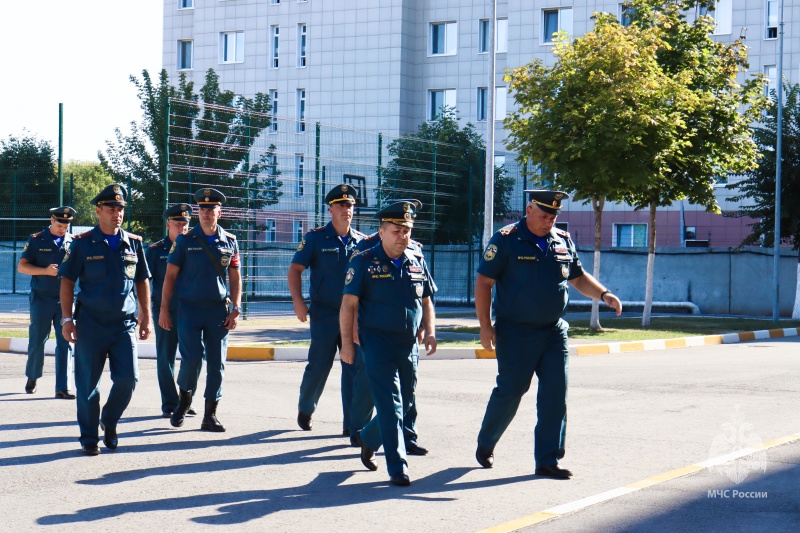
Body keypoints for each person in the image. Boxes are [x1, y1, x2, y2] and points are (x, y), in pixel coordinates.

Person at [474, 190, 622, 479]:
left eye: (553, 216)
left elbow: (577, 277)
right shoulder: (505, 239)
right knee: (512, 390)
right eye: (543, 215)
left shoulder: (561, 240)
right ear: (529, 210)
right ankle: (486, 443)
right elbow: (484, 282)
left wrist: (603, 294)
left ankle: (547, 459)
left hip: (553, 331)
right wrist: (484, 325)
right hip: (515, 331)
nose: (548, 221)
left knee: (555, 394)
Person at [340, 200, 437, 487]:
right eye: (396, 230)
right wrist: (347, 344)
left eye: (406, 230)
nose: (402, 236)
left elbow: (427, 298)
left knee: (404, 402)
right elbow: (347, 305)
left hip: (407, 344)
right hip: (377, 342)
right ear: (381, 232)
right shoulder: (363, 261)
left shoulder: (417, 258)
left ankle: (369, 438)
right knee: (390, 405)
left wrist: (430, 329)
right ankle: (398, 467)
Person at [59, 184, 151, 456]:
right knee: (87, 385)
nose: (117, 213)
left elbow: (143, 281)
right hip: (90, 323)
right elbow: (67, 281)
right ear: (98, 211)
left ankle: (109, 421)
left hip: (123, 324)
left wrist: (145, 316)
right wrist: (66, 319)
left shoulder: (133, 243)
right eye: (111, 209)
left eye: (120, 209)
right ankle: (89, 437)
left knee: (128, 379)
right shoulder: (82, 243)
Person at [159, 187, 242, 433]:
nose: (206, 213)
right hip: (189, 310)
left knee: (217, 364)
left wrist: (236, 307)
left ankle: (210, 415)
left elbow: (235, 277)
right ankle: (184, 401)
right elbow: (170, 278)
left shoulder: (230, 241)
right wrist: (164, 310)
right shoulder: (185, 241)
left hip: (218, 311)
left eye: (211, 209)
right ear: (198, 212)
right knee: (192, 359)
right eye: (202, 209)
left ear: (220, 212)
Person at [288, 184, 366, 436]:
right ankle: (306, 408)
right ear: (331, 209)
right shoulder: (316, 238)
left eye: (350, 205)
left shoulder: (362, 242)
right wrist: (298, 301)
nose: (347, 209)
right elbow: (295, 270)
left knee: (353, 366)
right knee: (319, 365)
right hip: (324, 313)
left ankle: (352, 423)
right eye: (342, 205)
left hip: (354, 316)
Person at [146, 204, 201, 418]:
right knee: (165, 357)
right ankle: (170, 403)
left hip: (192, 310)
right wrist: (151, 312)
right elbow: (144, 280)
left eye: (185, 223)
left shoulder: (195, 246)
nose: (182, 227)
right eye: (177, 223)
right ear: (168, 224)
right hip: (166, 310)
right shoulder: (155, 250)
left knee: (195, 356)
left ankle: (186, 400)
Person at [19, 206, 76, 398]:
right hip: (41, 298)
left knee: (66, 341)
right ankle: (32, 377)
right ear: (52, 220)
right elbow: (22, 267)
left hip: (65, 299)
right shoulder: (36, 240)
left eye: (66, 225)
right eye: (60, 224)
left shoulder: (72, 241)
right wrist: (45, 271)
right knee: (37, 340)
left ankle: (63, 386)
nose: (63, 228)